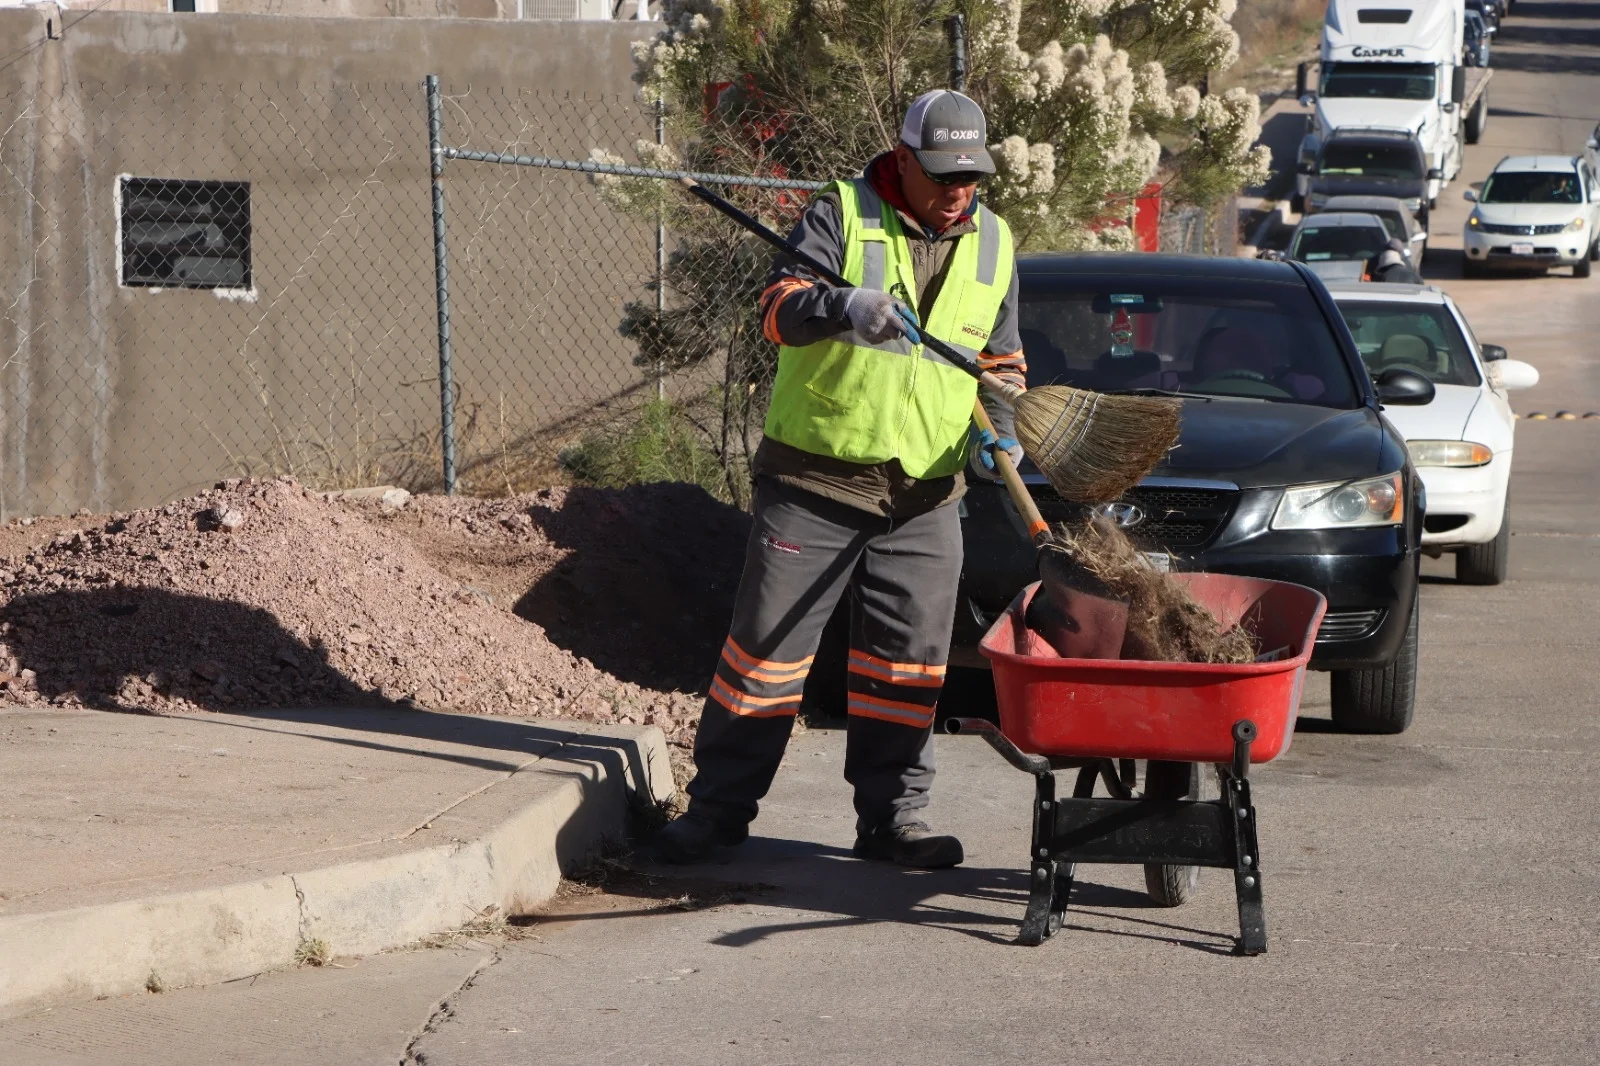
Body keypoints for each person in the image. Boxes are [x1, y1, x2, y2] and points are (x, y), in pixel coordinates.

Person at [654, 90, 1027, 868]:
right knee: (766, 655)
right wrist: (842, 305)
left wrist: (1006, 434)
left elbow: (1000, 363)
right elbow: (776, 310)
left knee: (907, 668)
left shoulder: (994, 242)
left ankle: (893, 822)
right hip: (816, 482)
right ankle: (718, 813)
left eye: (972, 176)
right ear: (903, 160)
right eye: (944, 173)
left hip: (926, 494)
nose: (960, 191)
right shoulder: (844, 213)